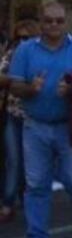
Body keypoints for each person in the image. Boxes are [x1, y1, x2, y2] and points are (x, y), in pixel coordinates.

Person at [7, 2, 72, 238]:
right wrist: (31, 89)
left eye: (59, 20)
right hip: (35, 126)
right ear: (40, 22)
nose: (53, 25)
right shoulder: (25, 50)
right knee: (36, 184)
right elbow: (14, 86)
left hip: (70, 127)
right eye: (48, 20)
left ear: (66, 22)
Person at [0, 19, 40, 224]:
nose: (22, 42)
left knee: (30, 163)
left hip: (37, 117)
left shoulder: (42, 55)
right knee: (13, 160)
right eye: (19, 37)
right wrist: (17, 80)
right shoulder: (12, 53)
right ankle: (7, 204)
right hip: (13, 114)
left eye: (27, 37)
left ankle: (28, 200)